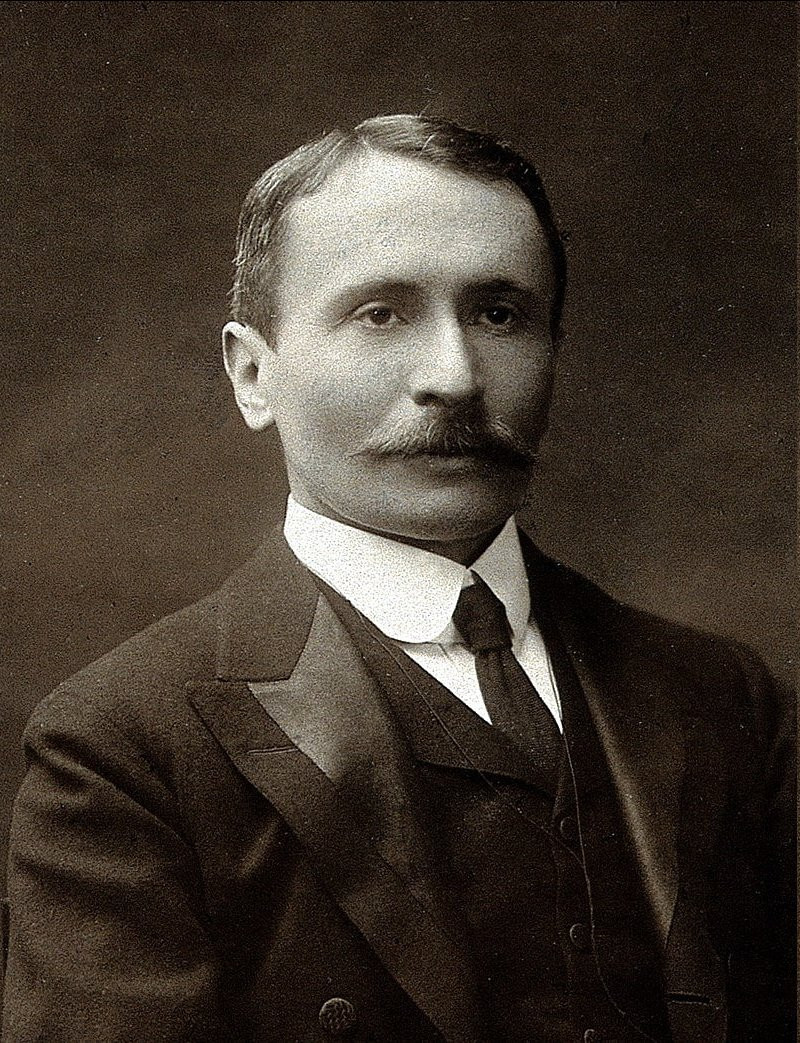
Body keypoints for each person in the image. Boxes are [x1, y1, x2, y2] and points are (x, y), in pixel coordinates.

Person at [1, 114, 794, 1043]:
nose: (455, 376)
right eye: (381, 313)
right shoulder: (126, 747)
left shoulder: (721, 695)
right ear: (253, 375)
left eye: (499, 315)